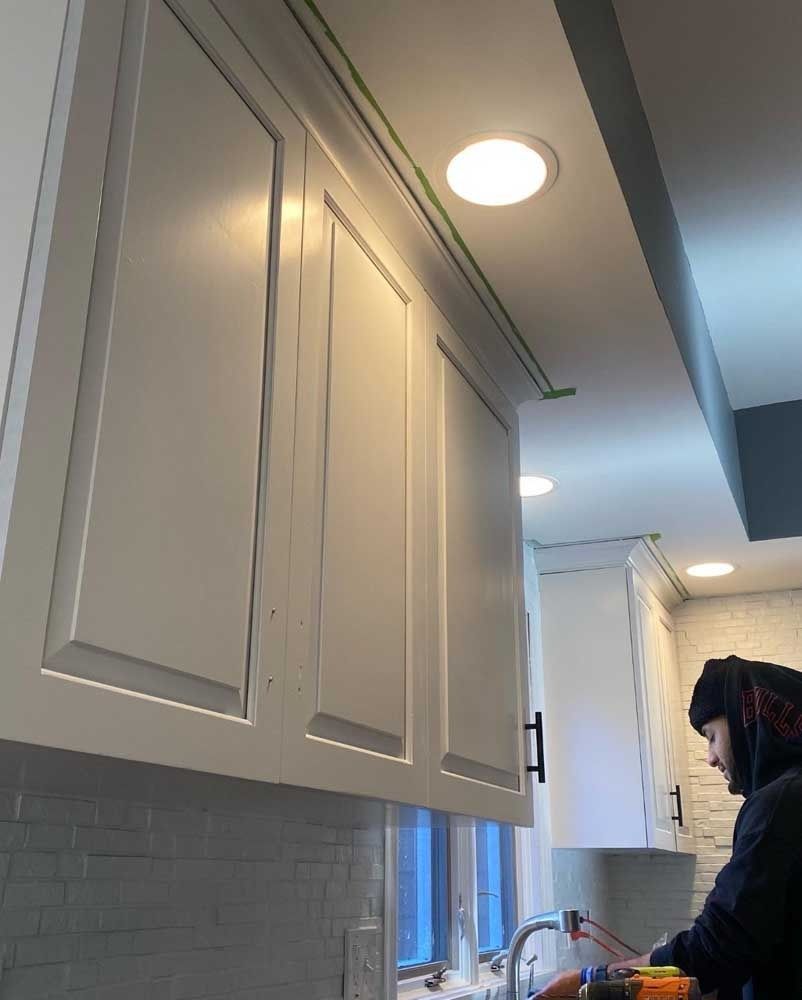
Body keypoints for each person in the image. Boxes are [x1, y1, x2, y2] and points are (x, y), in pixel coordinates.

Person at [534, 654, 802, 1000]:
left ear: (744, 719)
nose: (711, 757)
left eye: (711, 736)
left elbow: (714, 949)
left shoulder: (779, 804)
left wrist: (591, 977)